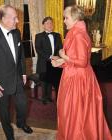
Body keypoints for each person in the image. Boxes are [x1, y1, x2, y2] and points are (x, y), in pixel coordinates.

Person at [51, 5, 112, 140]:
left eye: (66, 18)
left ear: (74, 18)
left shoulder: (78, 34)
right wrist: (60, 62)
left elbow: (82, 62)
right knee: (73, 112)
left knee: (75, 113)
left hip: (78, 80)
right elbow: (76, 60)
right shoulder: (75, 32)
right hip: (75, 76)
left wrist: (63, 55)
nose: (64, 20)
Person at [0, 5, 33, 140]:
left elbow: (20, 55)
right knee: (4, 113)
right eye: (14, 18)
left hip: (17, 78)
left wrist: (23, 73)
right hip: (0, 83)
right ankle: (9, 135)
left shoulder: (16, 33)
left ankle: (21, 123)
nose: (17, 21)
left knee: (22, 105)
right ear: (3, 18)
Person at [35, 16, 62, 104]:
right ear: (43, 25)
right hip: (43, 62)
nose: (50, 24)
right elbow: (39, 50)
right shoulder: (39, 36)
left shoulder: (57, 35)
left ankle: (49, 96)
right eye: (47, 23)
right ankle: (44, 98)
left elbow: (60, 48)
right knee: (44, 82)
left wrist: (58, 57)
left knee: (51, 80)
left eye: (51, 23)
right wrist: (51, 56)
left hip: (55, 62)